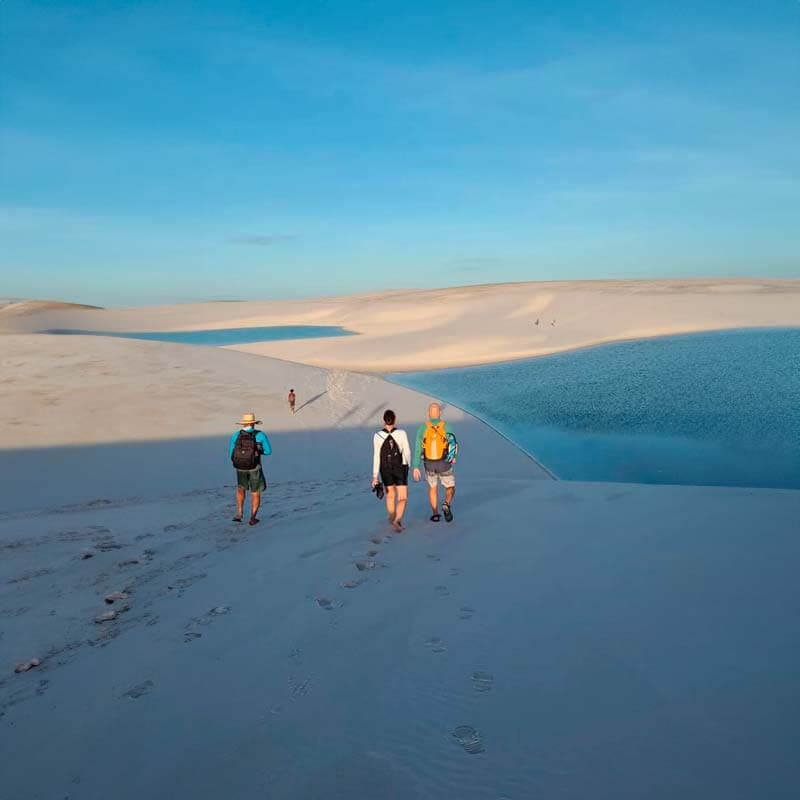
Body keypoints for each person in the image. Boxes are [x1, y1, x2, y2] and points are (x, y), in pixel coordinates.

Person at [413, 402, 457, 522]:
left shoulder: (423, 428)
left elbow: (418, 448)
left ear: (429, 413)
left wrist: (416, 466)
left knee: (433, 487)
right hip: (444, 463)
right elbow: (453, 443)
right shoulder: (447, 426)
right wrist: (453, 457)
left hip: (429, 464)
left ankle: (435, 514)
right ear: (440, 413)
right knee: (450, 487)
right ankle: (446, 504)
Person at [229, 412, 272, 526]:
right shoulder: (260, 435)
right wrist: (257, 452)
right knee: (255, 493)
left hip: (240, 468)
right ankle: (252, 518)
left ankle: (239, 514)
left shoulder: (236, 435)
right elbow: (268, 451)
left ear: (243, 423)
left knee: (241, 489)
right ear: (253, 423)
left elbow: (230, 454)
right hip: (255, 467)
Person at [372, 409, 411, 532]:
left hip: (385, 469)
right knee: (403, 498)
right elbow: (407, 452)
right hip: (400, 468)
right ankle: (397, 520)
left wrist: (375, 476)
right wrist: (408, 466)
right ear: (395, 420)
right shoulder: (402, 433)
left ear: (384, 420)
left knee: (390, 496)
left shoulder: (377, 435)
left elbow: (376, 456)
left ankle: (391, 518)